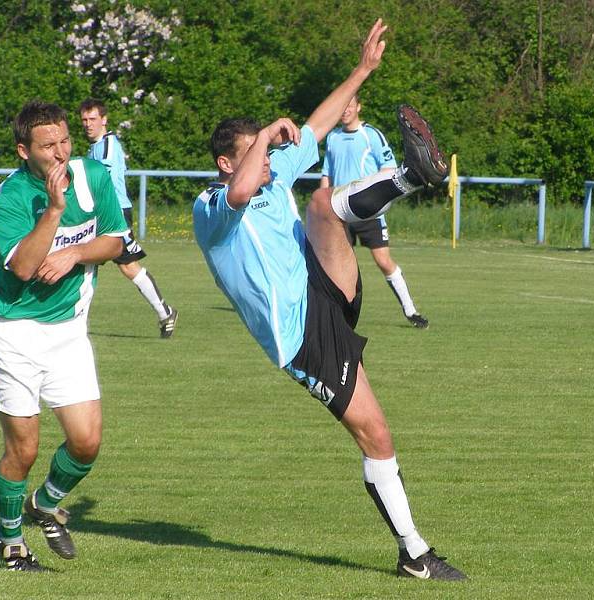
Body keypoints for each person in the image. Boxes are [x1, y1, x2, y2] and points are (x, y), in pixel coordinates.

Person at [193, 19, 466, 581]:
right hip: (302, 338)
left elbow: (315, 125)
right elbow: (244, 187)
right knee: (377, 435)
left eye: (267, 155)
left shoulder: (269, 176)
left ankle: (413, 177)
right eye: (256, 154)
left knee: (321, 203)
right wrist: (268, 136)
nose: (268, 164)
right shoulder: (212, 208)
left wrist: (362, 70)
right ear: (227, 162)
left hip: (325, 287)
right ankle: (414, 553)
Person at [0, 101, 127, 571]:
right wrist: (56, 209)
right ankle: (10, 541)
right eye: (48, 146)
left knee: (86, 443)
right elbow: (23, 268)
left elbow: (116, 241)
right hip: (13, 334)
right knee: (23, 450)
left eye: (65, 140)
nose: (61, 152)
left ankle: (43, 504)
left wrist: (75, 254)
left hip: (67, 332)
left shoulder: (94, 176)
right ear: (24, 151)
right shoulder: (9, 198)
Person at [320, 94, 429, 329]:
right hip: (339, 211)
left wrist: (377, 195)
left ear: (358, 107)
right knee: (335, 265)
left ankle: (410, 310)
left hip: (368, 211)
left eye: (350, 105)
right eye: (342, 106)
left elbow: (389, 168)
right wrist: (324, 203)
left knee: (383, 260)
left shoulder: (371, 135)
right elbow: (326, 174)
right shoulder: (333, 138)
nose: (345, 110)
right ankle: (337, 315)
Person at [79, 98, 178, 338]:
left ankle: (165, 312)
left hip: (113, 214)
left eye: (93, 119)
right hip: (105, 213)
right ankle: (164, 313)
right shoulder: (100, 145)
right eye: (84, 120)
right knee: (89, 263)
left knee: (124, 264)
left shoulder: (106, 146)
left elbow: (97, 182)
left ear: (104, 119)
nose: (88, 124)